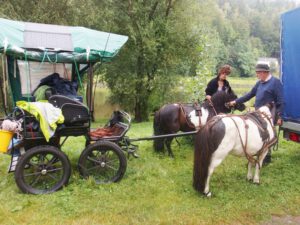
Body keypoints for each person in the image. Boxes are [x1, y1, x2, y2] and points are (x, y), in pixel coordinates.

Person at [229, 62, 284, 164]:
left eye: (258, 72)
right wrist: (236, 101)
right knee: (258, 133)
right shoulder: (259, 83)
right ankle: (258, 152)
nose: (257, 75)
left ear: (264, 72)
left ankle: (266, 157)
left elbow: (280, 101)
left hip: (269, 114)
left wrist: (280, 116)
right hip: (258, 113)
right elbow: (250, 94)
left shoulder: (276, 83)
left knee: (267, 134)